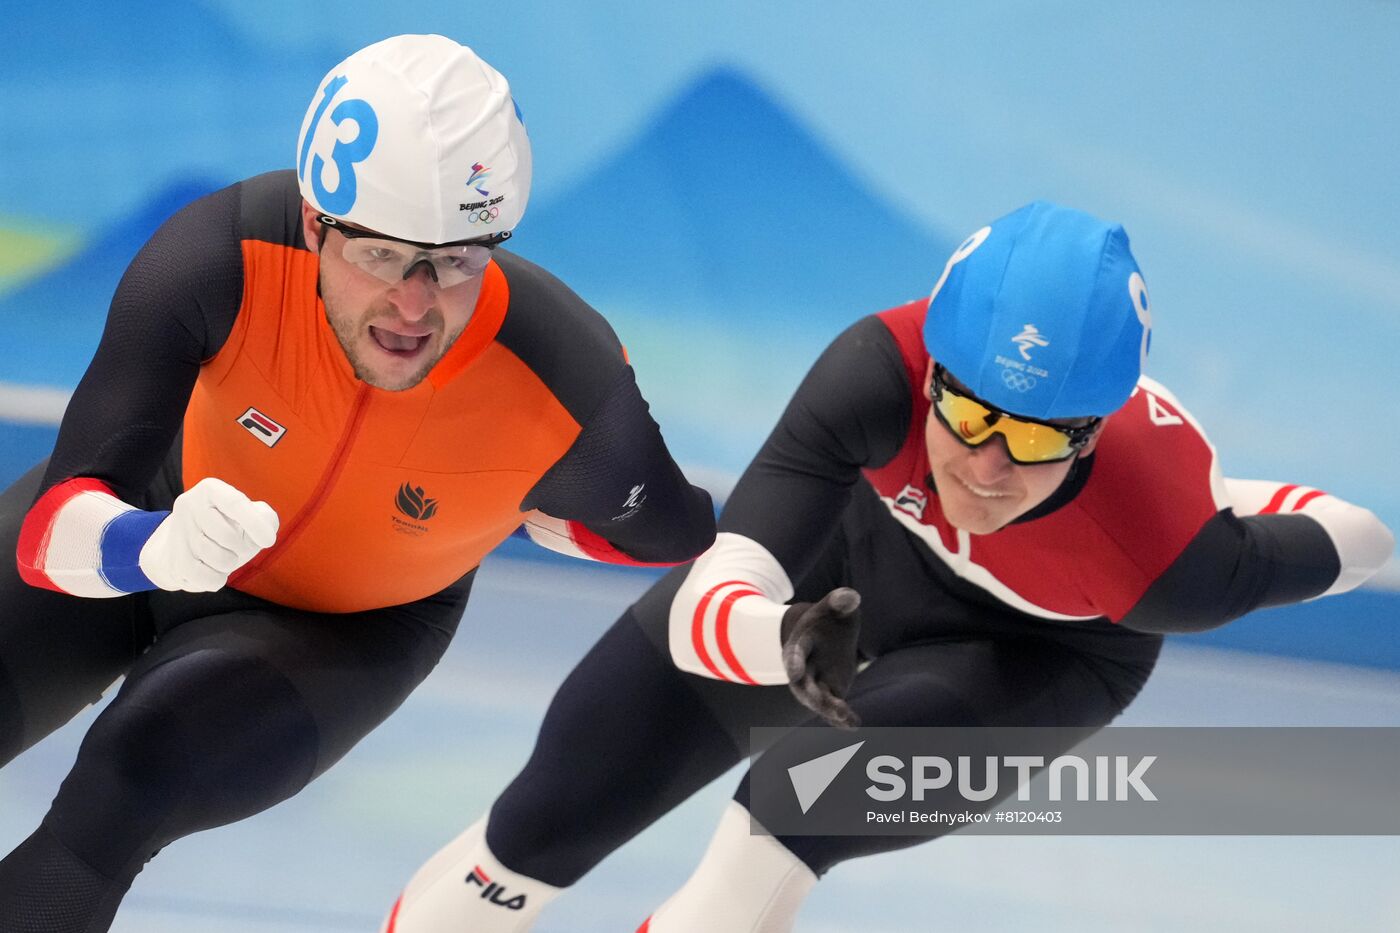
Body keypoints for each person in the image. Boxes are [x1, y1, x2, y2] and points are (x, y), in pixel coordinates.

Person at [380, 201, 1394, 933]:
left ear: (1091, 436)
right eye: (967, 416)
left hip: (1038, 650)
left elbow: (1359, 538)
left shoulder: (1168, 560)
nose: (988, 468)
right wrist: (776, 640)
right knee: (543, 819)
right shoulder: (871, 372)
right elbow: (718, 588)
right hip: (860, 559)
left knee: (790, 808)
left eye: (1037, 440)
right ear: (929, 373)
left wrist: (1230, 502)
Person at [0, 34, 714, 933]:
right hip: (152, 510)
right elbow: (50, 534)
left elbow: (678, 532)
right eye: (380, 254)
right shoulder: (220, 255)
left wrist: (535, 514)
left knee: (126, 782)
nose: (414, 304)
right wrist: (154, 545)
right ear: (313, 224)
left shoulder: (567, 378)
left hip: (345, 630)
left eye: (456, 258)